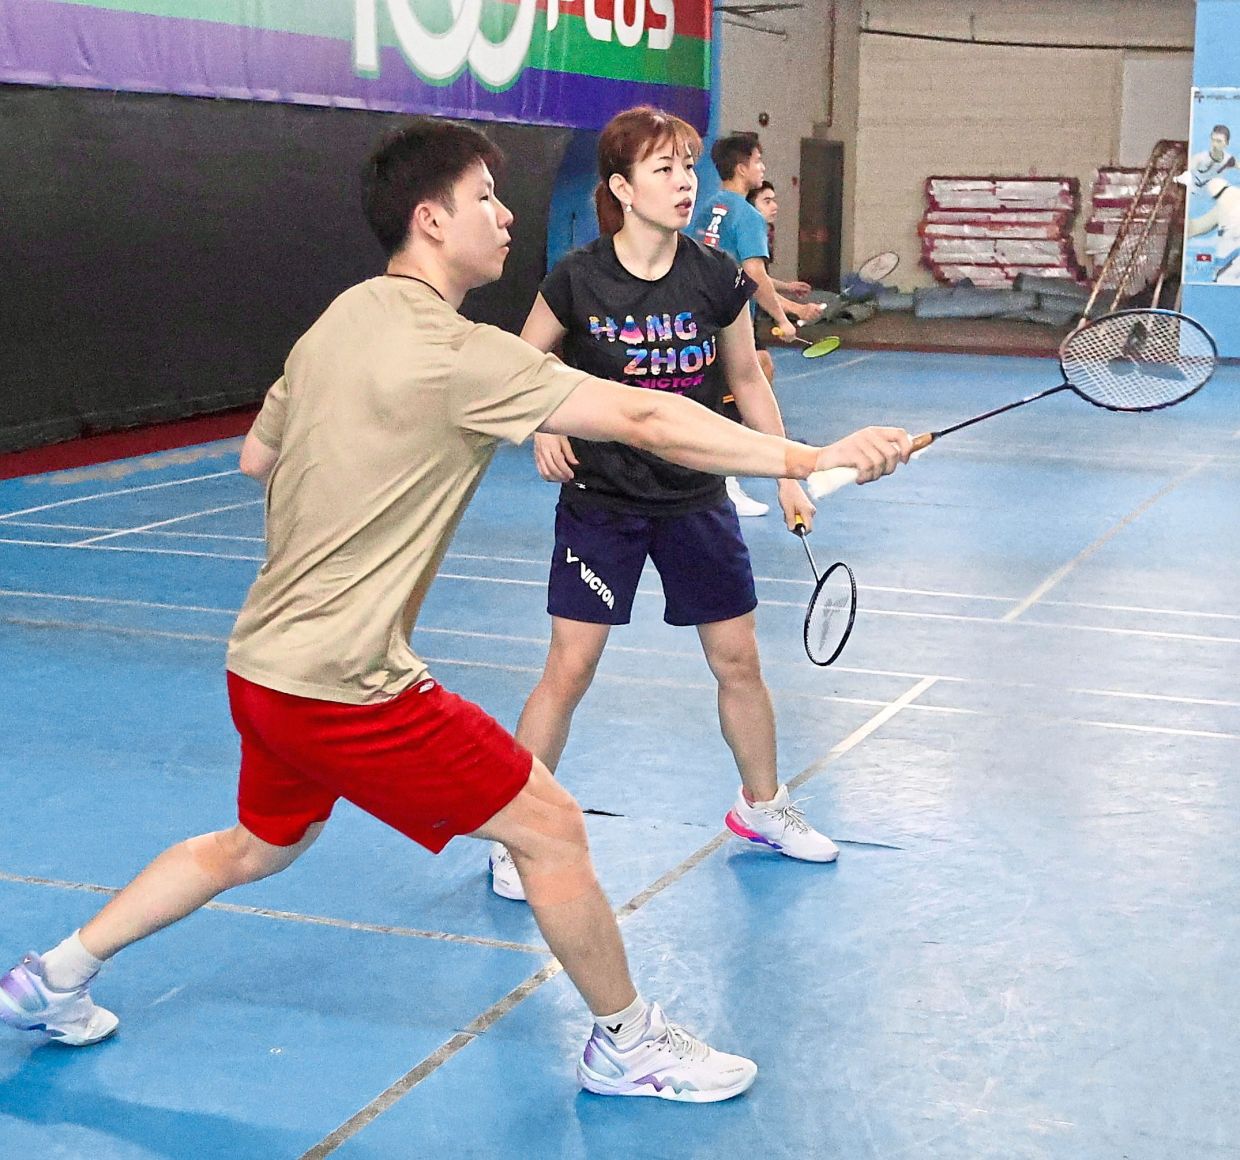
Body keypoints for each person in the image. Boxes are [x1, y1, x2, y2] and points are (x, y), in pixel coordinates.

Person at [0, 117, 909, 1102]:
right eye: (486, 196)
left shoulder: (339, 320)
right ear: (431, 220)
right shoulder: (458, 356)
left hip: (262, 664)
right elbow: (646, 415)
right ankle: (625, 1040)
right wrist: (809, 456)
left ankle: (53, 975)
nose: (507, 213)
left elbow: (260, 455)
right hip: (346, 682)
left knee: (253, 844)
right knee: (550, 826)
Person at [487, 105, 910, 903]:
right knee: (569, 669)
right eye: (664, 169)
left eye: (688, 165)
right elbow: (514, 367)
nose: (684, 182)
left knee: (739, 660)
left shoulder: (713, 275)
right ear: (621, 186)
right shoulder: (577, 277)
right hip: (601, 502)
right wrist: (540, 421)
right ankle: (516, 831)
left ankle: (763, 808)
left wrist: (786, 474)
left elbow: (745, 379)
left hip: (695, 499)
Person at [691, 134, 822, 516]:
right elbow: (752, 274)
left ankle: (721, 476)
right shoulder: (748, 216)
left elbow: (727, 265)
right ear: (742, 166)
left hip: (697, 320)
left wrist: (787, 303)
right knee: (746, 384)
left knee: (741, 383)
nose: (762, 168)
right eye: (759, 161)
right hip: (729, 324)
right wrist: (784, 317)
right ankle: (726, 480)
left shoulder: (704, 208)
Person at [1190, 124, 1236, 189]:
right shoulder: (1199, 158)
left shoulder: (1228, 160)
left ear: (1227, 143)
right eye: (1213, 140)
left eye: (1219, 141)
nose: (1214, 144)